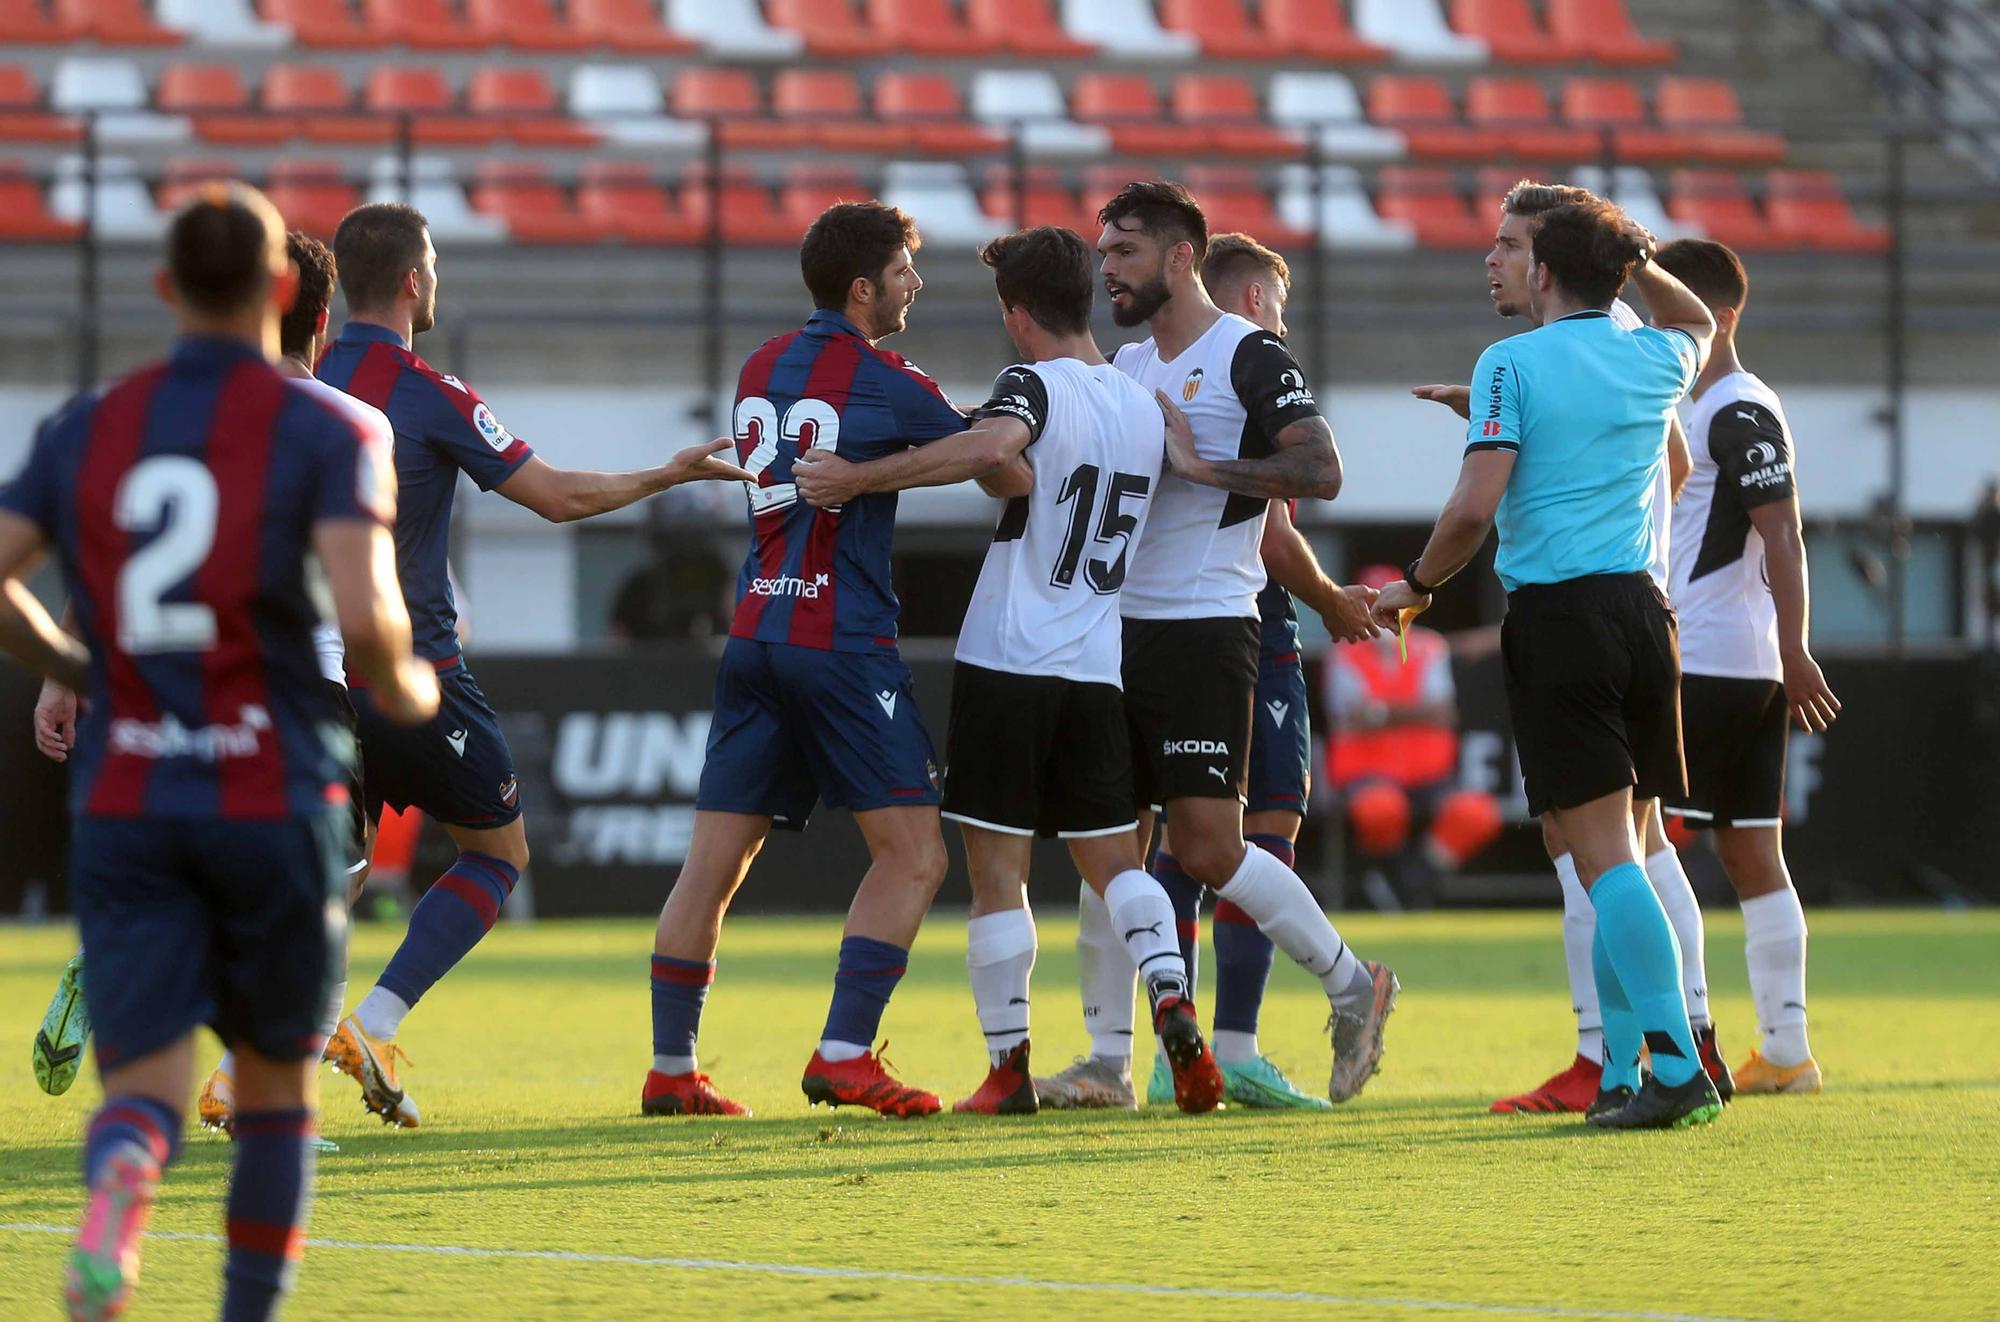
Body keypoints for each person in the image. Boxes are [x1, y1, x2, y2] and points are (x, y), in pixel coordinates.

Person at [0, 183, 439, 1321]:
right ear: (286, 292)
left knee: (141, 1087)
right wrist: (405, 681)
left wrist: (72, 663)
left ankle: (124, 1188)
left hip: (134, 784)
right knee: (277, 1093)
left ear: (164, 291)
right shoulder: (337, 425)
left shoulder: (90, 423)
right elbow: (368, 615)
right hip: (271, 781)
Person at [315, 202, 751, 1127]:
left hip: (311, 677)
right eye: (431, 266)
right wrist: (667, 475)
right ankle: (375, 1023)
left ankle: (246, 1062)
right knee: (496, 852)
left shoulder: (305, 383)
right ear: (411, 281)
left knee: (323, 882)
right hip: (413, 670)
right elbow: (555, 496)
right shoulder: (427, 389)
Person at [794, 224, 1224, 1115]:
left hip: (1009, 656)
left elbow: (996, 452)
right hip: (1097, 661)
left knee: (998, 876)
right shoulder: (1141, 402)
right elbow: (1023, 475)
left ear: (1018, 316)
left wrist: (861, 478)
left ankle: (1006, 1069)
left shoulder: (1030, 383)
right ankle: (1172, 994)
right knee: (1115, 865)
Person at [1038, 181, 1398, 1112]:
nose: (1106, 269)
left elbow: (1320, 469)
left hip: (1207, 629)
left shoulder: (1248, 353)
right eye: (1103, 251)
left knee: (1206, 849)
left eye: (1123, 253)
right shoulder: (1123, 364)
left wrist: (1206, 467)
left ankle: (1354, 985)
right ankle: (1109, 1063)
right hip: (1117, 632)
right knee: (1106, 845)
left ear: (1180, 256)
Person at [1374, 197, 1724, 1129]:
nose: (1492, 259)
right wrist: (1638, 258)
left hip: (1562, 620)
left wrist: (1413, 584)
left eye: (1509, 247)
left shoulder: (1513, 363)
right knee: (1609, 849)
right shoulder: (1651, 352)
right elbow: (1696, 319)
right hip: (1645, 618)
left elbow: (1470, 511)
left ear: (1546, 271)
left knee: (1603, 857)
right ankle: (1618, 1074)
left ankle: (1679, 1065)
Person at [639, 202, 974, 1120]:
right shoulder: (885, 377)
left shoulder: (759, 364)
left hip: (754, 633)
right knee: (914, 856)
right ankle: (844, 1053)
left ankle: (672, 1068)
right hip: (840, 642)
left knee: (711, 863)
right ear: (863, 287)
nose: (916, 283)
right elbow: (995, 460)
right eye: (906, 269)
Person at [1654, 236, 1837, 1094]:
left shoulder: (1734, 410)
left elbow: (1783, 533)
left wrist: (1797, 645)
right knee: (1749, 853)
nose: (1659, 325)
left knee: (1642, 839)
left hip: (1710, 660)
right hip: (1739, 658)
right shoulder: (1705, 405)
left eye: (1672, 309)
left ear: (1719, 318)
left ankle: (1681, 1037)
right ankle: (1788, 1049)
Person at [1323, 565, 1503, 912]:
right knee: (1380, 809)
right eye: (1375, 609)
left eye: (1390, 608)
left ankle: (1407, 884)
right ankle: (1390, 882)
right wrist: (1411, 711)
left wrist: (1381, 713)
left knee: (1476, 813)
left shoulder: (1430, 646)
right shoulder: (1343, 651)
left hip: (1429, 774)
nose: (1384, 618)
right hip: (1366, 773)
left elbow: (1440, 712)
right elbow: (1350, 715)